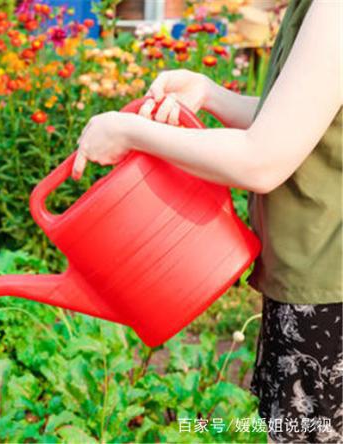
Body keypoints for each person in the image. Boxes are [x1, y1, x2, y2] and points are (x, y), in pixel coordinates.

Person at [74, 1, 342, 442]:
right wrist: (211, 94)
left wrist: (129, 133)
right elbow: (305, 117)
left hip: (330, 298)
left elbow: (263, 161)